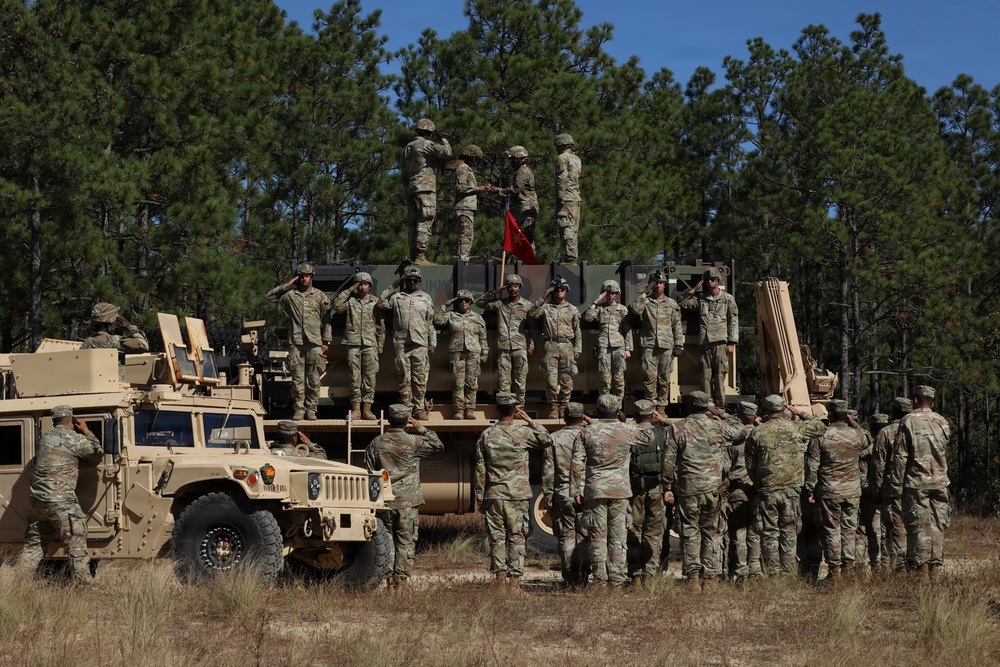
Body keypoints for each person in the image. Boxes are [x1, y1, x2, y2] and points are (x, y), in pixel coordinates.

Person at [662, 391, 748, 588]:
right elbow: (741, 431)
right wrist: (721, 413)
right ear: (706, 407)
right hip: (713, 490)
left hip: (688, 489)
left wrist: (667, 486)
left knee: (690, 532)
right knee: (712, 532)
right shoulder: (718, 426)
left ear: (689, 406)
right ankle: (710, 578)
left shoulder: (677, 428)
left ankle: (693, 578)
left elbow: (669, 461)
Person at [15, 405, 103, 585]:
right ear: (72, 420)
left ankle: (18, 586)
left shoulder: (46, 437)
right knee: (75, 542)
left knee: (34, 546)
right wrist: (86, 431)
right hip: (61, 500)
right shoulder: (72, 438)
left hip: (38, 501)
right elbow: (96, 454)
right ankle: (84, 586)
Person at [475, 393, 552, 587]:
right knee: (517, 538)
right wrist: (531, 421)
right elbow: (546, 439)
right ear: (516, 411)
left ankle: (500, 582)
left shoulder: (487, 435)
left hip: (494, 495)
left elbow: (480, 470)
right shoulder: (522, 433)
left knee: (497, 539)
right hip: (518, 496)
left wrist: (480, 498)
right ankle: (514, 583)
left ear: (496, 410)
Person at [744, 394, 826, 576]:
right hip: (791, 491)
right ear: (783, 409)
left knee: (769, 533)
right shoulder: (796, 428)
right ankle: (788, 574)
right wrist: (800, 412)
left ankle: (773, 574)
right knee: (789, 532)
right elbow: (821, 427)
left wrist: (760, 482)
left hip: (768, 490)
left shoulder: (757, 432)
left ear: (765, 409)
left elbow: (750, 464)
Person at [366, 405, 443, 590]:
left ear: (388, 420)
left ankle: (389, 581)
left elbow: (369, 471)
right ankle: (401, 583)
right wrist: (422, 428)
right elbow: (438, 445)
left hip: (385, 501)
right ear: (407, 421)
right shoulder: (413, 441)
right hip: (407, 502)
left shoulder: (376, 443)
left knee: (388, 541)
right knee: (405, 541)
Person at [885, 385, 951, 581]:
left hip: (917, 483)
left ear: (915, 400)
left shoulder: (908, 421)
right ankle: (936, 571)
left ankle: (920, 573)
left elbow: (900, 457)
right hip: (940, 482)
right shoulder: (942, 422)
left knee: (918, 527)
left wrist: (896, 487)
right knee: (938, 526)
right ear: (933, 403)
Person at [571, 394, 634, 587]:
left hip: (595, 490)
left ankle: (599, 581)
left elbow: (576, 463)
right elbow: (652, 437)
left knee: (597, 537)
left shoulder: (586, 432)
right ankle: (616, 581)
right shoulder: (628, 430)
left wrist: (576, 490)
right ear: (617, 410)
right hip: (619, 491)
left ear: (597, 410)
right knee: (618, 537)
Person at [805, 400, 870, 581]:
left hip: (829, 491)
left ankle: (834, 572)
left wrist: (810, 490)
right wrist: (853, 422)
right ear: (846, 415)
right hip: (852, 491)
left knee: (832, 530)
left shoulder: (821, 436)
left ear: (830, 414)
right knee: (850, 531)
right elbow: (869, 439)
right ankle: (848, 569)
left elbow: (812, 467)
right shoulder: (857, 435)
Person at [266, 261, 332, 421]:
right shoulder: (290, 296)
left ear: (311, 277)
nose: (304, 279)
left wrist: (326, 341)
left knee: (313, 378)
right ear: (298, 278)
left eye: (307, 276)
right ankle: (299, 409)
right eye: (301, 276)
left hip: (315, 342)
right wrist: (286, 285)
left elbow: (327, 319)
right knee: (297, 379)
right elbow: (269, 297)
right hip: (296, 342)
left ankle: (311, 410)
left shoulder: (320, 296)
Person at [377, 266, 437, 420]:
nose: (412, 282)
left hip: (420, 342)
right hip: (402, 342)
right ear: (405, 280)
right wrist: (394, 285)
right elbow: (380, 303)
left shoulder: (426, 298)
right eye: (409, 279)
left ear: (418, 281)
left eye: (415, 280)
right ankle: (407, 409)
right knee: (404, 377)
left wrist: (432, 343)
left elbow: (430, 323)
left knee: (420, 377)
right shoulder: (396, 297)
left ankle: (419, 408)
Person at [542, 402, 590, 586]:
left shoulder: (554, 438)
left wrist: (548, 495)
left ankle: (570, 577)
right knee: (585, 535)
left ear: (565, 417)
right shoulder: (589, 435)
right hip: (586, 493)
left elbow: (548, 471)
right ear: (582, 416)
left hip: (563, 493)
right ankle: (584, 575)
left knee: (566, 536)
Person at [678, 267, 739, 409]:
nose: (711, 282)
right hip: (704, 342)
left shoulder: (728, 299)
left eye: (713, 279)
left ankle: (720, 406)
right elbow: (681, 302)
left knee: (719, 375)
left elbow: (733, 321)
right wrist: (694, 289)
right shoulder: (701, 299)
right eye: (708, 280)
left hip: (720, 343)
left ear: (718, 280)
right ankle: (707, 406)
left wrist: (732, 342)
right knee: (705, 375)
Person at [332, 271, 384, 421]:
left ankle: (367, 409)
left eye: (365, 284)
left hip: (370, 344)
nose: (362, 287)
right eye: (359, 284)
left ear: (370, 286)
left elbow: (380, 326)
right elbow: (335, 306)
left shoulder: (376, 303)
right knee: (354, 377)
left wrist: (379, 346)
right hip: (353, 343)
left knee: (370, 377)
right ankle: (355, 409)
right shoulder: (350, 302)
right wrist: (349, 290)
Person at [476, 274, 535, 406]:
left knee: (520, 380)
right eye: (510, 286)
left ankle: (519, 408)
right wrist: (494, 293)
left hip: (520, 347)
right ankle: (505, 408)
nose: (512, 289)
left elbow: (532, 329)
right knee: (503, 380)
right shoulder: (500, 304)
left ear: (519, 287)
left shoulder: (527, 305)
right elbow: (479, 303)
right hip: (503, 348)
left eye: (515, 286)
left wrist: (531, 346)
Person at [626, 400, 668, 583]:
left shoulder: (628, 433)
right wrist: (665, 421)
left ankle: (635, 575)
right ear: (652, 415)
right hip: (656, 488)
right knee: (654, 533)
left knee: (634, 531)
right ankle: (650, 575)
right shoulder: (662, 433)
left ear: (635, 415)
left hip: (635, 489)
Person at [630, 269, 683, 407]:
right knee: (649, 376)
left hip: (666, 345)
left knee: (664, 377)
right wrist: (643, 293)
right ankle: (649, 405)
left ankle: (661, 406)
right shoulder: (646, 302)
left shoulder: (672, 304)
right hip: (649, 345)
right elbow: (636, 310)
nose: (658, 286)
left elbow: (677, 325)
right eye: (655, 283)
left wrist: (678, 344)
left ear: (664, 285)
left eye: (660, 283)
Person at [530, 277, 581, 418]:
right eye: (557, 289)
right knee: (550, 378)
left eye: (562, 289)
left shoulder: (572, 309)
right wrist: (543, 297)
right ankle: (553, 406)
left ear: (566, 291)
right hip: (550, 345)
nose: (559, 291)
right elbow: (533, 314)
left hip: (567, 346)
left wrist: (578, 348)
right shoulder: (546, 308)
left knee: (566, 378)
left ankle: (563, 406)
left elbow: (577, 331)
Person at [402, 117, 452, 265]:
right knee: (426, 219)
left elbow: (403, 173)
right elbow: (447, 153)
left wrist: (408, 188)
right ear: (430, 132)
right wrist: (443, 139)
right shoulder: (425, 144)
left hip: (411, 188)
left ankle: (414, 255)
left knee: (413, 222)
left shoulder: (408, 147)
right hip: (425, 187)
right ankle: (420, 256)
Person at [433, 289, 488, 419]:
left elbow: (483, 337)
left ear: (471, 302)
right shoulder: (451, 315)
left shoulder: (477, 318)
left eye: (466, 300)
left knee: (471, 382)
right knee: (458, 383)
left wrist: (485, 352)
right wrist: (445, 305)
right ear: (457, 302)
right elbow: (437, 319)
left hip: (473, 353)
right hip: (456, 353)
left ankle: (469, 409)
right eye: (460, 300)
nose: (463, 302)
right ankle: (458, 410)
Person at [873, 397, 912, 571]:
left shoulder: (886, 433)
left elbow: (878, 466)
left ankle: (900, 567)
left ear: (894, 412)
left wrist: (877, 491)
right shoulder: (916, 430)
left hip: (892, 489)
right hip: (915, 486)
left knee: (894, 528)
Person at [725, 401, 762, 581]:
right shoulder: (761, 435)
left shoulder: (733, 440)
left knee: (738, 533)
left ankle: (740, 572)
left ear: (738, 416)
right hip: (757, 490)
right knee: (754, 532)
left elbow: (725, 469)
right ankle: (755, 570)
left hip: (737, 490)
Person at [582, 280, 633, 408]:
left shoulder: (623, 310)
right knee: (604, 378)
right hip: (604, 346)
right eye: (608, 293)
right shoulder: (600, 309)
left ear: (617, 294)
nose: (611, 295)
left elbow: (627, 330)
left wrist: (628, 349)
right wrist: (597, 300)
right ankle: (605, 407)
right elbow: (587, 317)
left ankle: (617, 407)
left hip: (619, 347)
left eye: (613, 293)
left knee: (619, 378)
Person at [858, 413, 888, 569]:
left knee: (873, 533)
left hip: (873, 498)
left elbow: (862, 478)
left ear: (872, 432)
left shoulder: (867, 452)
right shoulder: (896, 446)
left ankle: (876, 567)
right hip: (894, 496)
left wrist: (872, 493)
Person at [452, 145, 491, 262]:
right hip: (464, 207)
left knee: (468, 234)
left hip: (467, 207)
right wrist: (478, 189)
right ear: (471, 157)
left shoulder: (466, 169)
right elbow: (461, 187)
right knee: (466, 234)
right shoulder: (463, 169)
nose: (477, 162)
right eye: (476, 159)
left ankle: (464, 258)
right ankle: (463, 259)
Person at [502, 145, 538, 250]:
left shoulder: (523, 172)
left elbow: (516, 190)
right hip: (522, 208)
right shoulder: (520, 171)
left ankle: (529, 264)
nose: (511, 162)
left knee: (526, 237)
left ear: (518, 159)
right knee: (521, 236)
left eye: (512, 159)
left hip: (526, 208)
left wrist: (499, 191)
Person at [554, 133, 582, 264]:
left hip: (567, 197)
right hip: (575, 197)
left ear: (561, 145)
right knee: (573, 227)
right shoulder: (576, 159)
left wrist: (560, 196)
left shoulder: (562, 158)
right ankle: (571, 255)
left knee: (567, 226)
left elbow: (562, 177)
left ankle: (570, 257)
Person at [82, 302, 150, 354]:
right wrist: (130, 326)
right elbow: (144, 346)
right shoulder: (113, 341)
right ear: (111, 322)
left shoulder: (88, 341)